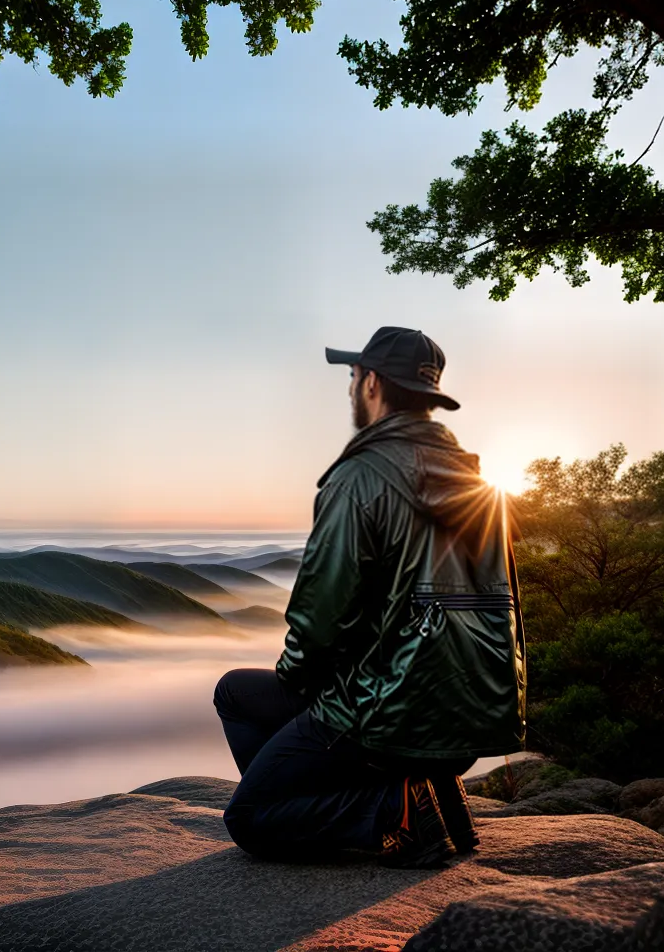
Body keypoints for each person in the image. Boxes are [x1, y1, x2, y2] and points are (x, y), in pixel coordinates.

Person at [214, 326, 526, 868]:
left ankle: (390, 811)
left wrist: (305, 681)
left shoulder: (360, 477)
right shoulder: (482, 487)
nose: (352, 386)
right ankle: (414, 795)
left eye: (354, 376)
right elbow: (504, 608)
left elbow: (317, 618)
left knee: (248, 818)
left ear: (374, 384)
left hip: (388, 716)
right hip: (470, 713)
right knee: (237, 692)